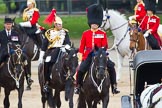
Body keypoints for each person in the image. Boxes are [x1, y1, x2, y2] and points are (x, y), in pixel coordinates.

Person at [74, 4, 120, 94]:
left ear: (98, 23)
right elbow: (82, 46)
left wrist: (101, 53)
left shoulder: (102, 33)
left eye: (96, 23)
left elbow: (105, 45)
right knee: (80, 70)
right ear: (90, 23)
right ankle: (78, 86)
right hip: (88, 55)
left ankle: (114, 86)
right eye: (93, 23)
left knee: (111, 67)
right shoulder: (85, 33)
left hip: (100, 55)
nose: (94, 25)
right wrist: (80, 58)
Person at [38, 9, 71, 92]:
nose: (60, 26)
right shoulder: (49, 32)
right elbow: (44, 45)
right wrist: (41, 56)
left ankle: (71, 79)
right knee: (47, 62)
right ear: (55, 24)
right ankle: (47, 81)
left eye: (61, 24)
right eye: (59, 25)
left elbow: (68, 42)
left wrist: (66, 47)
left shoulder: (65, 32)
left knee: (71, 61)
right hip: (52, 51)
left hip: (63, 50)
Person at [0, 17, 33, 84]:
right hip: (4, 51)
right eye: (7, 24)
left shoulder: (15, 33)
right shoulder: (1, 33)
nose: (8, 25)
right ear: (4, 25)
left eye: (9, 24)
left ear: (12, 25)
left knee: (25, 59)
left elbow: (19, 43)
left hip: (14, 52)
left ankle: (28, 77)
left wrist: (17, 48)